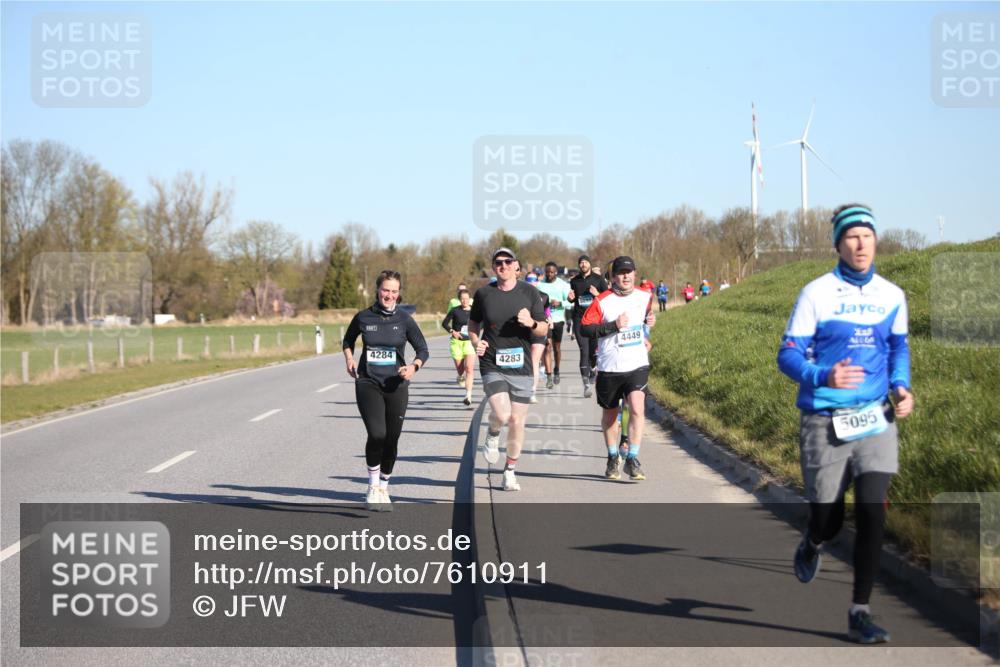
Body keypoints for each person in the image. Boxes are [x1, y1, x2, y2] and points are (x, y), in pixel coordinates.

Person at [778, 204, 913, 645]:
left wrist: (901, 386)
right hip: (824, 417)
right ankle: (814, 540)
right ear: (838, 243)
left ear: (876, 241)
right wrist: (824, 375)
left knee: (873, 510)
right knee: (829, 518)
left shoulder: (892, 295)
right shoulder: (816, 293)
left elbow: (898, 349)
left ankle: (860, 612)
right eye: (851, 236)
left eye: (867, 236)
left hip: (876, 417)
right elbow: (788, 355)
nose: (860, 244)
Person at [343, 270, 429, 511]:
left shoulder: (404, 320)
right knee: (377, 434)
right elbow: (348, 340)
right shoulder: (363, 317)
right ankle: (371, 486)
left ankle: (383, 486)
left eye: (394, 291)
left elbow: (423, 349)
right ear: (377, 290)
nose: (389, 295)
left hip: (396, 385)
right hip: (368, 383)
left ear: (399, 293)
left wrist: (414, 366)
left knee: (392, 439)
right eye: (385, 290)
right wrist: (349, 359)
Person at [469, 247, 548, 491]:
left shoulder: (530, 292)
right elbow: (473, 324)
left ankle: (510, 471)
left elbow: (543, 329)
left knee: (517, 421)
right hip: (492, 361)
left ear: (517, 266)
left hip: (521, 365)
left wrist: (531, 323)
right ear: (494, 268)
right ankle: (493, 432)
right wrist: (475, 341)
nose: (503, 265)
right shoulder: (484, 294)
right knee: (502, 415)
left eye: (507, 261)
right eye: (498, 262)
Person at [580, 256, 656, 481]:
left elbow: (645, 317)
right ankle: (613, 456)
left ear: (634, 273)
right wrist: (613, 326)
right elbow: (585, 329)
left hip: (637, 363)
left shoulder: (645, 295)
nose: (625, 276)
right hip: (610, 366)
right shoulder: (603, 301)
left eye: (629, 272)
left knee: (637, 407)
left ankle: (632, 458)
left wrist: (647, 330)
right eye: (621, 273)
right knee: (611, 416)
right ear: (613, 277)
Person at [568, 254, 609, 398]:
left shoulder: (598, 280)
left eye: (585, 262)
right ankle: (585, 385)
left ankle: (592, 368)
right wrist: (570, 298)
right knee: (583, 350)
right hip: (579, 319)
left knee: (593, 352)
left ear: (590, 264)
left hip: (594, 320)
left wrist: (597, 294)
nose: (583, 264)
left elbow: (607, 298)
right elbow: (573, 299)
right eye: (581, 263)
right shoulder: (574, 281)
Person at [535, 261, 572, 389]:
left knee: (557, 347)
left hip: (558, 319)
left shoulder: (563, 285)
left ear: (556, 272)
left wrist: (560, 303)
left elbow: (570, 303)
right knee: (548, 347)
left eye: (551, 272)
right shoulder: (540, 285)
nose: (549, 274)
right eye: (547, 272)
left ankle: (557, 369)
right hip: (546, 320)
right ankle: (549, 375)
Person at [441, 288, 475, 406]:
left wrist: (475, 333)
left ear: (469, 299)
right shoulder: (455, 311)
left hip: (470, 343)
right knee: (461, 370)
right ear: (459, 300)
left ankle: (468, 395)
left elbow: (481, 323)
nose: (464, 301)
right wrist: (452, 331)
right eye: (462, 299)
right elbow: (444, 323)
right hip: (456, 343)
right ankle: (460, 376)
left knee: (469, 369)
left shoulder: (475, 311)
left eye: (466, 299)